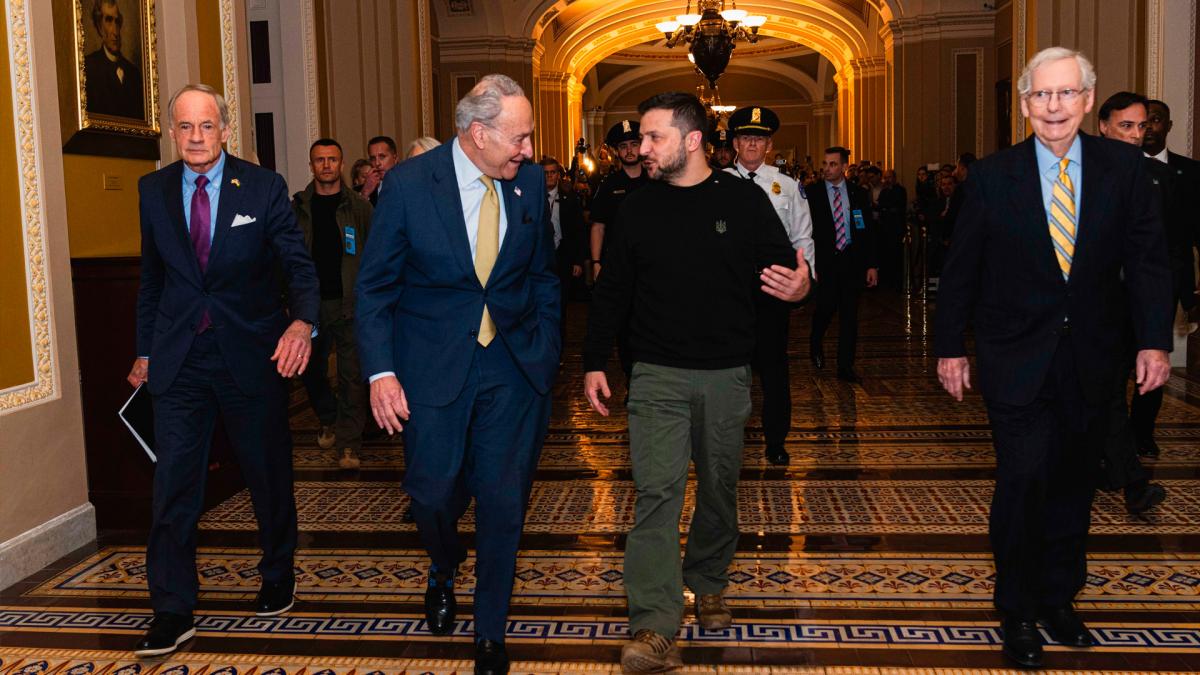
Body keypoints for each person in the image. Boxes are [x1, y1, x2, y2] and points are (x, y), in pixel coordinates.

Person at [935, 48, 1173, 669]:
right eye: (1041, 96)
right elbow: (960, 271)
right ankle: (1016, 608)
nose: (1054, 107)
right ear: (1024, 105)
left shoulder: (1126, 170)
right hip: (1014, 358)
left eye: (1066, 94)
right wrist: (948, 347)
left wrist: (1153, 340)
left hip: (1093, 358)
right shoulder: (991, 176)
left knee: (1073, 483)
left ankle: (1059, 596)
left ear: (1089, 100)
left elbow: (1149, 263)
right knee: (1023, 479)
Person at [582, 91, 810, 674]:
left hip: (727, 374)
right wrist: (592, 361)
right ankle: (655, 625)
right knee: (656, 494)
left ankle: (708, 577)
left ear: (690, 141)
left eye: (655, 137)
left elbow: (788, 272)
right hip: (655, 373)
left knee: (718, 489)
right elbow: (612, 293)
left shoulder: (745, 200)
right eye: (641, 138)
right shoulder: (636, 207)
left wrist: (801, 287)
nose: (643, 147)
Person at [355, 74, 559, 675]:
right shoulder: (411, 186)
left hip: (513, 367)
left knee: (503, 500)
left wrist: (545, 349)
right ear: (478, 133)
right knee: (431, 493)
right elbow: (374, 288)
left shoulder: (523, 184)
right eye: (518, 138)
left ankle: (490, 630)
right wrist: (381, 373)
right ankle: (444, 562)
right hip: (432, 368)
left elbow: (544, 275)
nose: (526, 151)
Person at [127, 84, 319, 656]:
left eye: (206, 126)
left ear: (225, 130)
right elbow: (152, 281)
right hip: (181, 361)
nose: (195, 137)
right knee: (174, 485)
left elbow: (298, 266)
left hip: (251, 356)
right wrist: (145, 348)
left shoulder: (262, 187)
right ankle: (171, 607)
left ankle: (277, 571)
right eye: (184, 127)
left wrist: (301, 323)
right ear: (171, 131)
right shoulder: (153, 190)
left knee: (266, 474)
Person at [724, 105, 816, 466]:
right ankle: (728, 439)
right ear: (734, 142)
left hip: (773, 290)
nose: (752, 144)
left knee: (775, 369)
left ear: (769, 145)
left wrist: (804, 283)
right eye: (746, 137)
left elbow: (803, 237)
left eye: (758, 138)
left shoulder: (788, 187)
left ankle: (776, 440)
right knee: (731, 371)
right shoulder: (719, 184)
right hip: (730, 294)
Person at [292, 138, 373, 470]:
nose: (326, 165)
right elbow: (287, 257)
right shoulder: (297, 207)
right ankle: (329, 418)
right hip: (310, 305)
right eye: (319, 160)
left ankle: (349, 444)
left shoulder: (360, 207)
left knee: (352, 375)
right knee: (309, 369)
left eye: (332, 159)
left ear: (341, 164)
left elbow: (374, 254)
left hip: (350, 302)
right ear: (311, 166)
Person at [1138, 98, 1200, 457]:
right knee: (1117, 360)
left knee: (1155, 356)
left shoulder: (1190, 173)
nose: (1149, 128)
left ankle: (1143, 431)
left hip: (1167, 282)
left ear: (1169, 127)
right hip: (1120, 283)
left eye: (1156, 120)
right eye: (1143, 121)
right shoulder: (1118, 169)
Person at [808, 146, 878, 383]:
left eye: (833, 164)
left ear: (844, 167)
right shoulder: (813, 193)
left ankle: (845, 366)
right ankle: (816, 342)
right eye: (825, 164)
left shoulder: (858, 193)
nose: (827, 169)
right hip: (826, 261)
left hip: (851, 260)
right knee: (825, 308)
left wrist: (871, 265)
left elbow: (866, 230)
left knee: (850, 315)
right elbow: (806, 231)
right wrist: (810, 264)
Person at [590, 119, 650, 387]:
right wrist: (596, 262)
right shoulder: (609, 184)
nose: (629, 151)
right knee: (624, 329)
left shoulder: (656, 180)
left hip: (651, 268)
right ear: (616, 151)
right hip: (618, 269)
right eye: (623, 146)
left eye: (634, 144)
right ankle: (632, 380)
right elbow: (598, 226)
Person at [540, 156, 588, 345]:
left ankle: (558, 345)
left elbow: (578, 231)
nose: (550, 177)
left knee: (560, 304)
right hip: (541, 258)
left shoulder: (569, 199)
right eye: (545, 173)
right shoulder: (533, 199)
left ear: (559, 175)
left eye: (553, 172)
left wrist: (578, 261)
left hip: (563, 257)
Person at [84, 0, 144, 119]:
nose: (115, 31)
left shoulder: (134, 73)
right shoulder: (88, 68)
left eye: (117, 21)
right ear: (99, 26)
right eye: (108, 20)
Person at [877, 168, 908, 289]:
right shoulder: (884, 192)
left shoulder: (900, 190)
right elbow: (881, 206)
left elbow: (898, 208)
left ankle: (897, 283)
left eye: (889, 177)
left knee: (896, 256)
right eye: (886, 177)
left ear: (894, 178)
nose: (887, 180)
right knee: (886, 256)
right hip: (884, 228)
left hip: (896, 229)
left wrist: (887, 209)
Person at [362, 135, 399, 205]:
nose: (377, 163)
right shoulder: (362, 190)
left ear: (395, 158)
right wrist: (365, 193)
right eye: (373, 158)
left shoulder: (407, 184)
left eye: (382, 157)